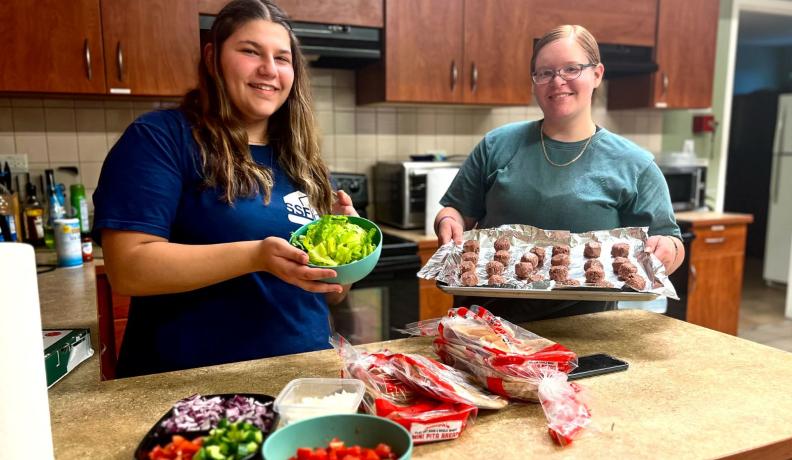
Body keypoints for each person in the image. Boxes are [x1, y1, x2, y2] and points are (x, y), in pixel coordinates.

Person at [92, 0, 356, 377]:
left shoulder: (301, 159)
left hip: (303, 377)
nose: (269, 69)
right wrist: (256, 256)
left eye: (282, 59)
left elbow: (330, 292)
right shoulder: (160, 139)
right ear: (213, 56)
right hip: (191, 387)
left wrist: (344, 255)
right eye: (251, 51)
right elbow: (129, 268)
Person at [433, 25, 685, 321]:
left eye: (571, 69)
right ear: (534, 82)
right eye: (545, 73)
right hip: (487, 332)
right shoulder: (496, 145)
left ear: (597, 74)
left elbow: (671, 242)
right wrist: (448, 220)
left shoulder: (634, 163)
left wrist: (668, 249)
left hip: (585, 335)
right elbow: (457, 211)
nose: (557, 81)